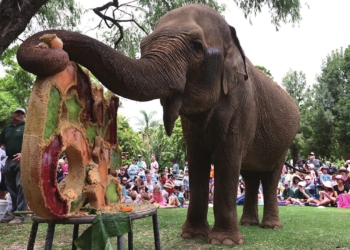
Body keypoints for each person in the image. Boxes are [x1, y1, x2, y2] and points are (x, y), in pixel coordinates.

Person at [0, 108, 27, 225]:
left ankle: (20, 214)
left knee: (20, 185)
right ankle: (14, 212)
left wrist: (23, 153)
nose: (20, 115)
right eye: (18, 113)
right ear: (13, 114)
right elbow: (2, 143)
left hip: (23, 158)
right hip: (9, 159)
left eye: (22, 113)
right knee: (10, 187)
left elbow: (33, 143)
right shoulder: (7, 129)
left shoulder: (27, 127)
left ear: (25, 116)